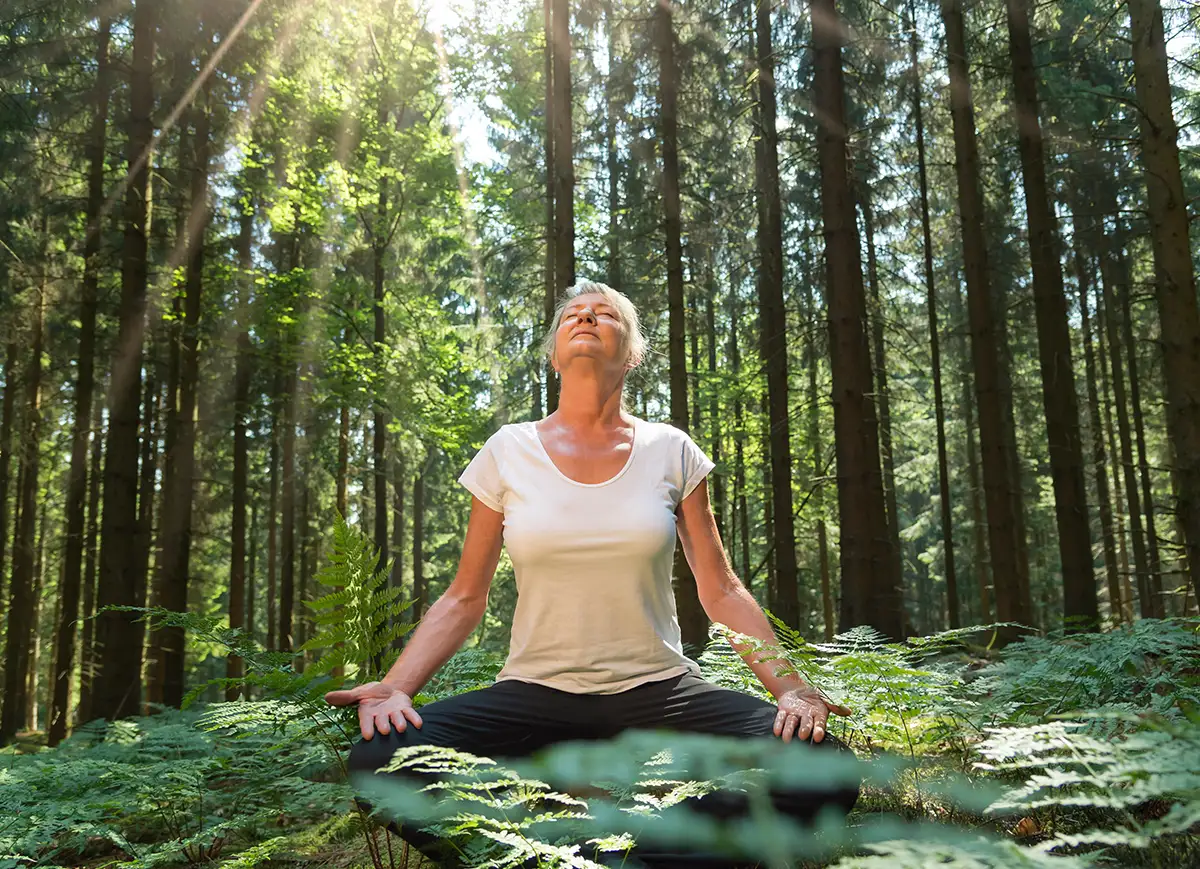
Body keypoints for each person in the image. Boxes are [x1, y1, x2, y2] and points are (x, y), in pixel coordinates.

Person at [327, 281, 860, 867]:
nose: (586, 317)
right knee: (381, 759)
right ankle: (546, 859)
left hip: (659, 691)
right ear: (555, 354)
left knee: (824, 767)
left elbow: (722, 589)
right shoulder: (509, 450)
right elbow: (464, 596)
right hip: (534, 692)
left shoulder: (671, 449)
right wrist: (397, 685)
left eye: (605, 314)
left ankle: (641, 859)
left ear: (631, 352)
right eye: (573, 316)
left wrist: (791, 689)